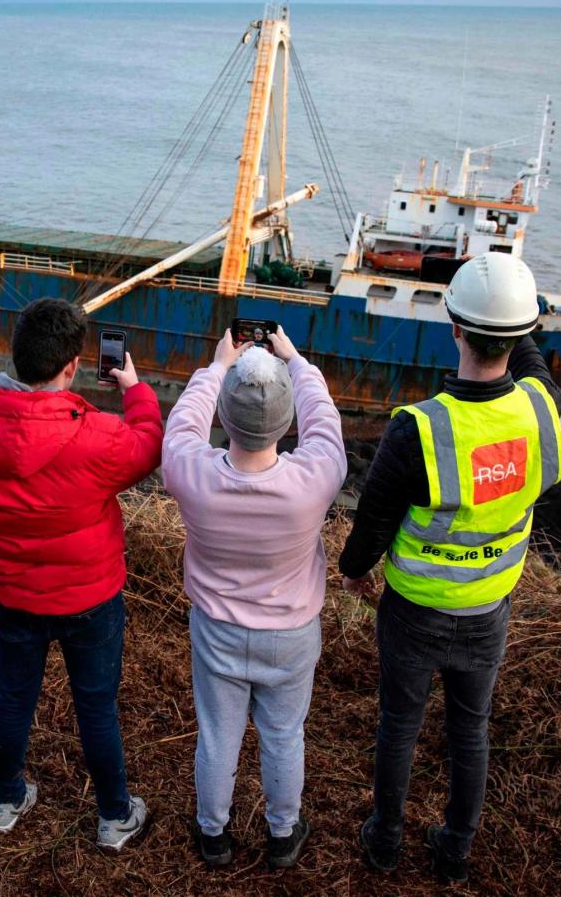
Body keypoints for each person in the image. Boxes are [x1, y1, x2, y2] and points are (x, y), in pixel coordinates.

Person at [339, 253, 561, 884]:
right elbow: (537, 369)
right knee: (470, 731)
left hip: (413, 610)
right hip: (490, 608)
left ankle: (384, 841)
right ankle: (455, 851)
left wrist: (353, 571)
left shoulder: (421, 428)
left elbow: (374, 523)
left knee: (400, 727)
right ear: (519, 334)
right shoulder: (541, 412)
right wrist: (519, 324)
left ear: (456, 329)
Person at [0, 297, 163, 853]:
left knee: (13, 697)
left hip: (11, 596)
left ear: (14, 356)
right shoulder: (99, 436)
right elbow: (151, 444)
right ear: (72, 367)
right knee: (96, 706)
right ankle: (113, 816)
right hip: (92, 597)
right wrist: (133, 388)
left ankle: (6, 800)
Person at [161, 327, 347, 870]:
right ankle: (283, 835)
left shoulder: (190, 473)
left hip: (216, 629)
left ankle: (213, 836)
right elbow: (325, 421)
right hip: (290, 634)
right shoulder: (315, 479)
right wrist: (295, 361)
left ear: (224, 417)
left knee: (218, 736)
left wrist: (218, 367)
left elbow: (182, 425)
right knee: (285, 734)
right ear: (285, 424)